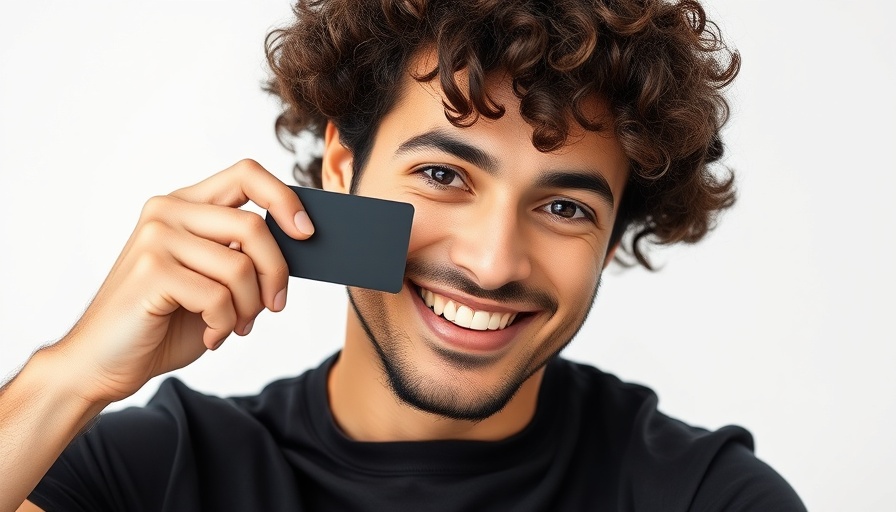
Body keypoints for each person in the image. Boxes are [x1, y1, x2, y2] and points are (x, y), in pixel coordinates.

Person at [1, 0, 806, 510]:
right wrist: (66, 379)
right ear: (343, 172)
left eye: (564, 206)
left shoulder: (705, 497)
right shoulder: (156, 476)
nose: (493, 263)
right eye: (443, 174)